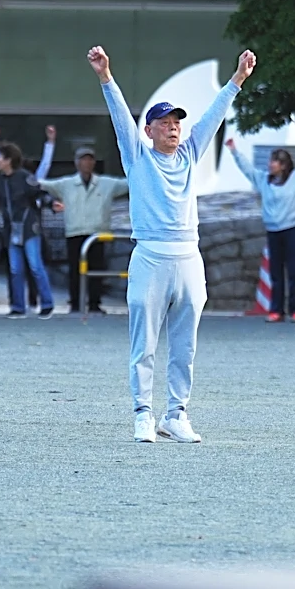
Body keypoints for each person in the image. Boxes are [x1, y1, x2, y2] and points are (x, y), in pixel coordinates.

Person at [88, 44, 257, 443]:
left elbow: (213, 118)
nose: (174, 127)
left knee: (186, 345)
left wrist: (237, 80)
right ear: (149, 130)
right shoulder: (137, 156)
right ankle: (142, 414)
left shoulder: (190, 154)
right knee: (143, 341)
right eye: (165, 122)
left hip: (188, 256)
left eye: (177, 121)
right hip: (150, 254)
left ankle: (176, 413)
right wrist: (105, 76)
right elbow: (119, 120)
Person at [225, 129, 295, 323]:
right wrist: (234, 151)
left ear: (282, 165)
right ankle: (276, 310)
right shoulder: (264, 180)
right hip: (273, 230)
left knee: (294, 270)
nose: (269, 165)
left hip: (292, 229)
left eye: (273, 161)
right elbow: (247, 169)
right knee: (275, 272)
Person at [38, 146, 128, 313]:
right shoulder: (66, 184)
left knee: (97, 269)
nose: (86, 162)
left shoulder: (106, 183)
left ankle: (94, 303)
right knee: (75, 270)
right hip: (75, 232)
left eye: (89, 159)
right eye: (83, 159)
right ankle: (75, 303)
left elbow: (129, 184)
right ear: (76, 162)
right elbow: (43, 185)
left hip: (98, 233)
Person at [0, 141, 56, 319]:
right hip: (11, 230)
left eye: (0, 157)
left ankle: (47, 304)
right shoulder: (0, 181)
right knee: (15, 269)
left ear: (9, 160)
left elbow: (39, 193)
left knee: (35, 266)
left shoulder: (24, 177)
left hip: (28, 227)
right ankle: (18, 306)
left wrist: (52, 204)